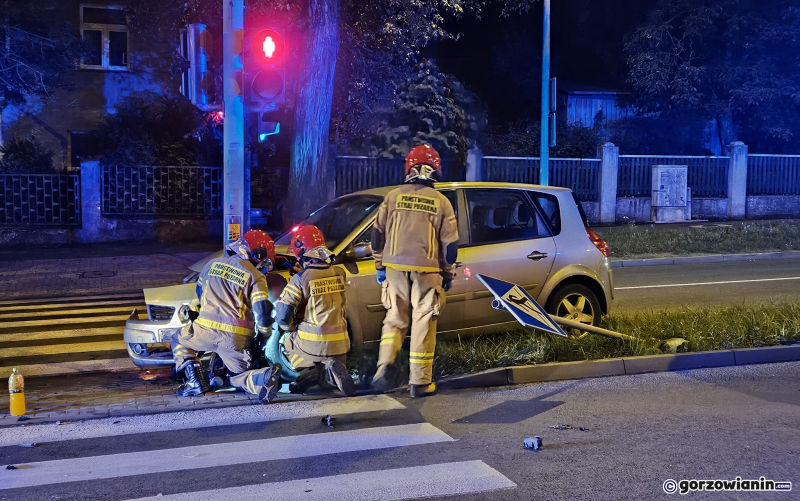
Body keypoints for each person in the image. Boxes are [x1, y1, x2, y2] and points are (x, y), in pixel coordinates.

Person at [371, 144, 459, 398]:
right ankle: (419, 382)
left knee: (394, 319)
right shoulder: (441, 202)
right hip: (427, 270)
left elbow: (377, 235)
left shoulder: (393, 197)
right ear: (435, 170)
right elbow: (450, 246)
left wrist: (380, 265)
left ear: (409, 168)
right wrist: (448, 273)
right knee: (423, 321)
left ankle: (384, 365)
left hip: (394, 268)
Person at [171, 229, 282, 404]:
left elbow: (201, 294)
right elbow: (262, 311)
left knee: (177, 339)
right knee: (239, 375)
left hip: (204, 332)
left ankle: (194, 382)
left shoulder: (210, 265)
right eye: (264, 260)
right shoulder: (256, 275)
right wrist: (263, 335)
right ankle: (262, 377)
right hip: (235, 340)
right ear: (257, 254)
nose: (264, 265)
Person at [274, 224, 355, 396]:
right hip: (341, 344)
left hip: (313, 343)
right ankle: (331, 373)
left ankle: (306, 369)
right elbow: (321, 280)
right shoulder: (340, 273)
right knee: (328, 382)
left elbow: (282, 316)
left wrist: (289, 328)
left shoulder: (299, 280)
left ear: (301, 252)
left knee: (285, 340)